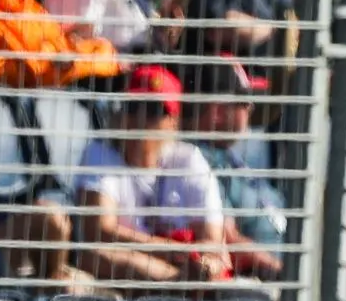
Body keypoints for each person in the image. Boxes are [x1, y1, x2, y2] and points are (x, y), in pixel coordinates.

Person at [75, 66, 274, 286]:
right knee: (98, 257)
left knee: (211, 268)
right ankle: (180, 287)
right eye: (134, 106)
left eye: (154, 110)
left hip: (186, 269)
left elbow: (213, 243)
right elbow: (100, 231)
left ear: (173, 121)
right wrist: (175, 253)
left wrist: (200, 262)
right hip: (143, 268)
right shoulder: (100, 153)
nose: (141, 118)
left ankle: (183, 287)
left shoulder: (189, 159)